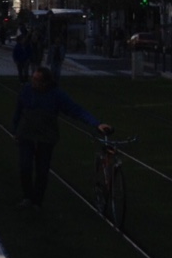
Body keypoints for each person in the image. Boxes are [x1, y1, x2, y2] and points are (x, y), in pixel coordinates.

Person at [12, 68, 110, 208]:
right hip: (26, 134)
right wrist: (15, 130)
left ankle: (37, 200)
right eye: (33, 79)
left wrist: (96, 123)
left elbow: (76, 110)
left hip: (46, 136)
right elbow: (18, 111)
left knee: (42, 170)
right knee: (25, 167)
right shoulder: (27, 90)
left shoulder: (56, 95)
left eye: (37, 80)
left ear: (45, 82)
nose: (33, 82)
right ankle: (27, 196)